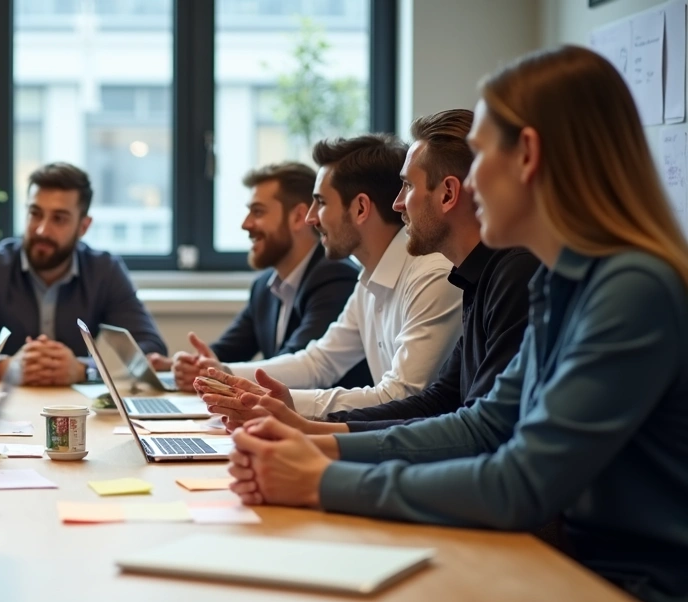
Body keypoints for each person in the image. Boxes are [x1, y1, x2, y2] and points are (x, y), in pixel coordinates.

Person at [227, 45, 688, 602]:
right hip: (578, 575)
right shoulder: (561, 279)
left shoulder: (631, 289)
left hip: (635, 600)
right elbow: (484, 425)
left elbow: (520, 482)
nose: (469, 183)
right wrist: (324, 449)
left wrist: (319, 479)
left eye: (481, 154)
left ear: (527, 156)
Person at [203, 110, 539, 435]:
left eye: (321, 202)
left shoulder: (450, 273)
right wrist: (245, 386)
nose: (310, 218)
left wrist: (309, 425)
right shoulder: (445, 276)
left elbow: (420, 402)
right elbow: (436, 399)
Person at [196, 135, 462, 420]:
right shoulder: (369, 279)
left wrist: (284, 402)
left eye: (321, 203)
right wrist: (228, 376)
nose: (311, 218)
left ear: (360, 208)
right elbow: (319, 362)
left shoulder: (433, 275)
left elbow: (401, 395)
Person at [0, 162, 167, 386]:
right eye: (35, 214)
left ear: (83, 227)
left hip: (77, 406)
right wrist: (6, 366)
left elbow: (151, 350)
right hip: (5, 402)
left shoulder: (104, 270)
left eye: (59, 219)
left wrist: (84, 369)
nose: (42, 230)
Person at [163, 162, 370, 393]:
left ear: (298, 217)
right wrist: (189, 365)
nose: (245, 224)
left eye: (258, 212)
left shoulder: (336, 277)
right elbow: (226, 352)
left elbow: (298, 366)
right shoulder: (264, 285)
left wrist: (218, 372)